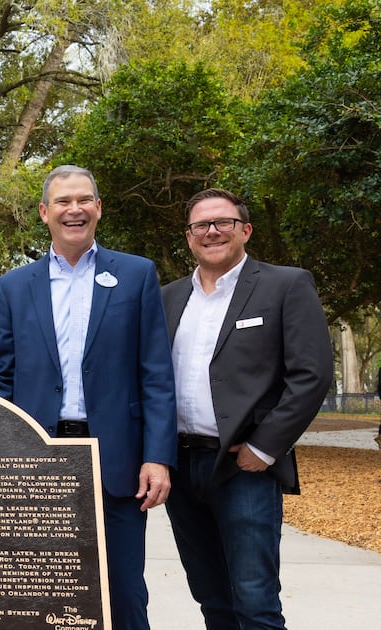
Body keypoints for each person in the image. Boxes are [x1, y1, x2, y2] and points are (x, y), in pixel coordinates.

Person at [0, 165, 176, 630]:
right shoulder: (13, 286)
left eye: (84, 199)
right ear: (45, 213)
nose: (75, 209)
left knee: (124, 594)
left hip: (117, 463)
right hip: (35, 462)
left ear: (98, 209)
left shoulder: (136, 275)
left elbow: (156, 375)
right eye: (63, 202)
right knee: (37, 596)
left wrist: (158, 457)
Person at [162, 188, 333, 629]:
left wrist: (264, 447)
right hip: (179, 467)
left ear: (245, 230)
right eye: (201, 225)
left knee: (255, 601)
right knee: (211, 597)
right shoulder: (168, 297)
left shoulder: (285, 284)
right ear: (189, 237)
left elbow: (311, 375)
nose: (212, 231)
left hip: (243, 466)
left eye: (224, 222)